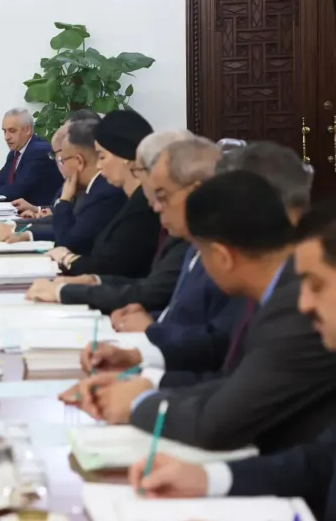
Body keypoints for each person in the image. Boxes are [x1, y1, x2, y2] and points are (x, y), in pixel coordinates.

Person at [69, 170, 336, 454]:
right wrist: (147, 380)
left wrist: (137, 403)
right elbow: (236, 379)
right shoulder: (272, 290)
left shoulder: (293, 309)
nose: (306, 301)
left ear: (222, 257)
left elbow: (217, 423)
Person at [127, 197, 336, 521]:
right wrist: (208, 479)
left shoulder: (288, 319)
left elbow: (219, 419)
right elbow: (320, 463)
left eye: (316, 285)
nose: (304, 304)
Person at [68, 141, 317, 388]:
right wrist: (142, 360)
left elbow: (241, 393)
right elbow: (224, 347)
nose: (155, 206)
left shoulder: (299, 294)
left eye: (163, 195)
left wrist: (145, 388)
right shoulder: (268, 273)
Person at [23, 130, 193, 312]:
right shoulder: (166, 221)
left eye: (102, 157)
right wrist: (93, 281)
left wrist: (67, 285)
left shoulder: (121, 199)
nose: (156, 205)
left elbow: (151, 291)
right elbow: (149, 284)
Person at [47, 109, 161, 278]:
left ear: (123, 155)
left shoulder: (141, 206)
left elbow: (108, 266)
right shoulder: (132, 200)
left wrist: (67, 258)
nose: (99, 166)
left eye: (101, 157)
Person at [0, 120, 125, 254]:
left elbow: (69, 240)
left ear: (79, 161)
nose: (60, 165)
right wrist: (19, 230)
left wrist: (64, 200)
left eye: (63, 159)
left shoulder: (103, 192)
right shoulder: (92, 188)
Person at [13, 109, 103, 217]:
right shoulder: (79, 182)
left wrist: (18, 228)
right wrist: (38, 210)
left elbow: (70, 224)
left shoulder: (98, 191)